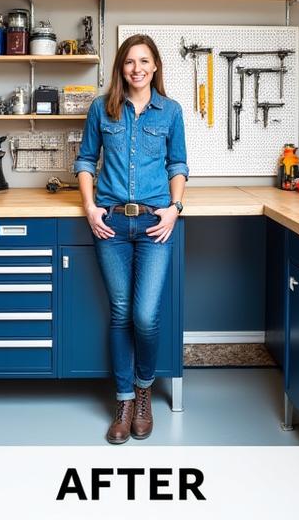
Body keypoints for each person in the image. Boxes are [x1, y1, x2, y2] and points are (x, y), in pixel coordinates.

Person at [72, 33, 188, 444]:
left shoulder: (170, 111)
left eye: (144, 61)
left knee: (145, 315)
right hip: (113, 224)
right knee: (120, 312)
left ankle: (144, 392)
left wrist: (175, 208)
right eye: (129, 62)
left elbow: (178, 163)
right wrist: (90, 208)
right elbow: (85, 160)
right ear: (121, 68)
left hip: (157, 224)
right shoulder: (102, 109)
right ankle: (123, 401)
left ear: (155, 66)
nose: (136, 68)